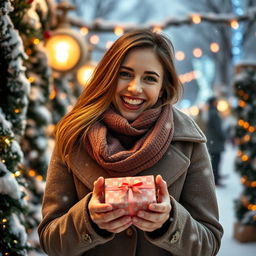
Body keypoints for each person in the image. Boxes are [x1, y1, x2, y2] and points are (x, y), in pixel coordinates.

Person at [38, 29, 223, 256]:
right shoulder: (74, 135)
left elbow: (209, 243)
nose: (135, 88)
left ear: (163, 87)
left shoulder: (189, 141)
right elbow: (50, 240)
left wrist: (170, 221)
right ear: (109, 76)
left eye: (149, 78)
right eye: (125, 74)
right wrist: (88, 220)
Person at [205, 96, 226, 187]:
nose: (217, 103)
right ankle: (215, 179)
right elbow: (218, 129)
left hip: (213, 141)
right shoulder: (214, 113)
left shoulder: (210, 112)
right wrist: (224, 137)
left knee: (215, 161)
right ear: (213, 103)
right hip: (216, 142)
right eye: (216, 101)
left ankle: (216, 177)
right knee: (216, 161)